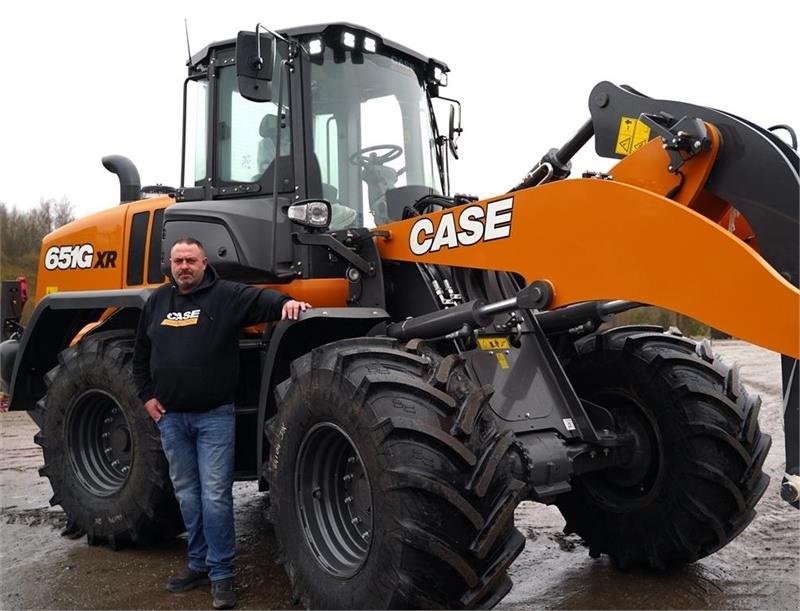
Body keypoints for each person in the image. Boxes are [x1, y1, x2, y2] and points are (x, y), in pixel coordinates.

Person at [133, 237, 310, 610]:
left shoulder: (225, 296)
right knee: (188, 496)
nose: (184, 267)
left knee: (215, 497)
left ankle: (222, 574)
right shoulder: (157, 302)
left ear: (203, 263)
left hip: (214, 417)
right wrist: (147, 397)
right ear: (170, 264)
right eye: (178, 261)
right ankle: (197, 563)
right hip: (171, 419)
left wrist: (287, 303)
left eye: (190, 261)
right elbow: (141, 356)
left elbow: (265, 300)